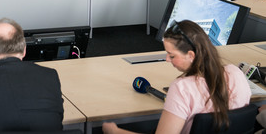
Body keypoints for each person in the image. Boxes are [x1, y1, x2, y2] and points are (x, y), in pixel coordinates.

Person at [102, 20, 251, 134]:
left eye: (172, 55)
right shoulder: (236, 73)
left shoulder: (182, 88)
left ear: (191, 55)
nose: (167, 59)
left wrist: (114, 131)